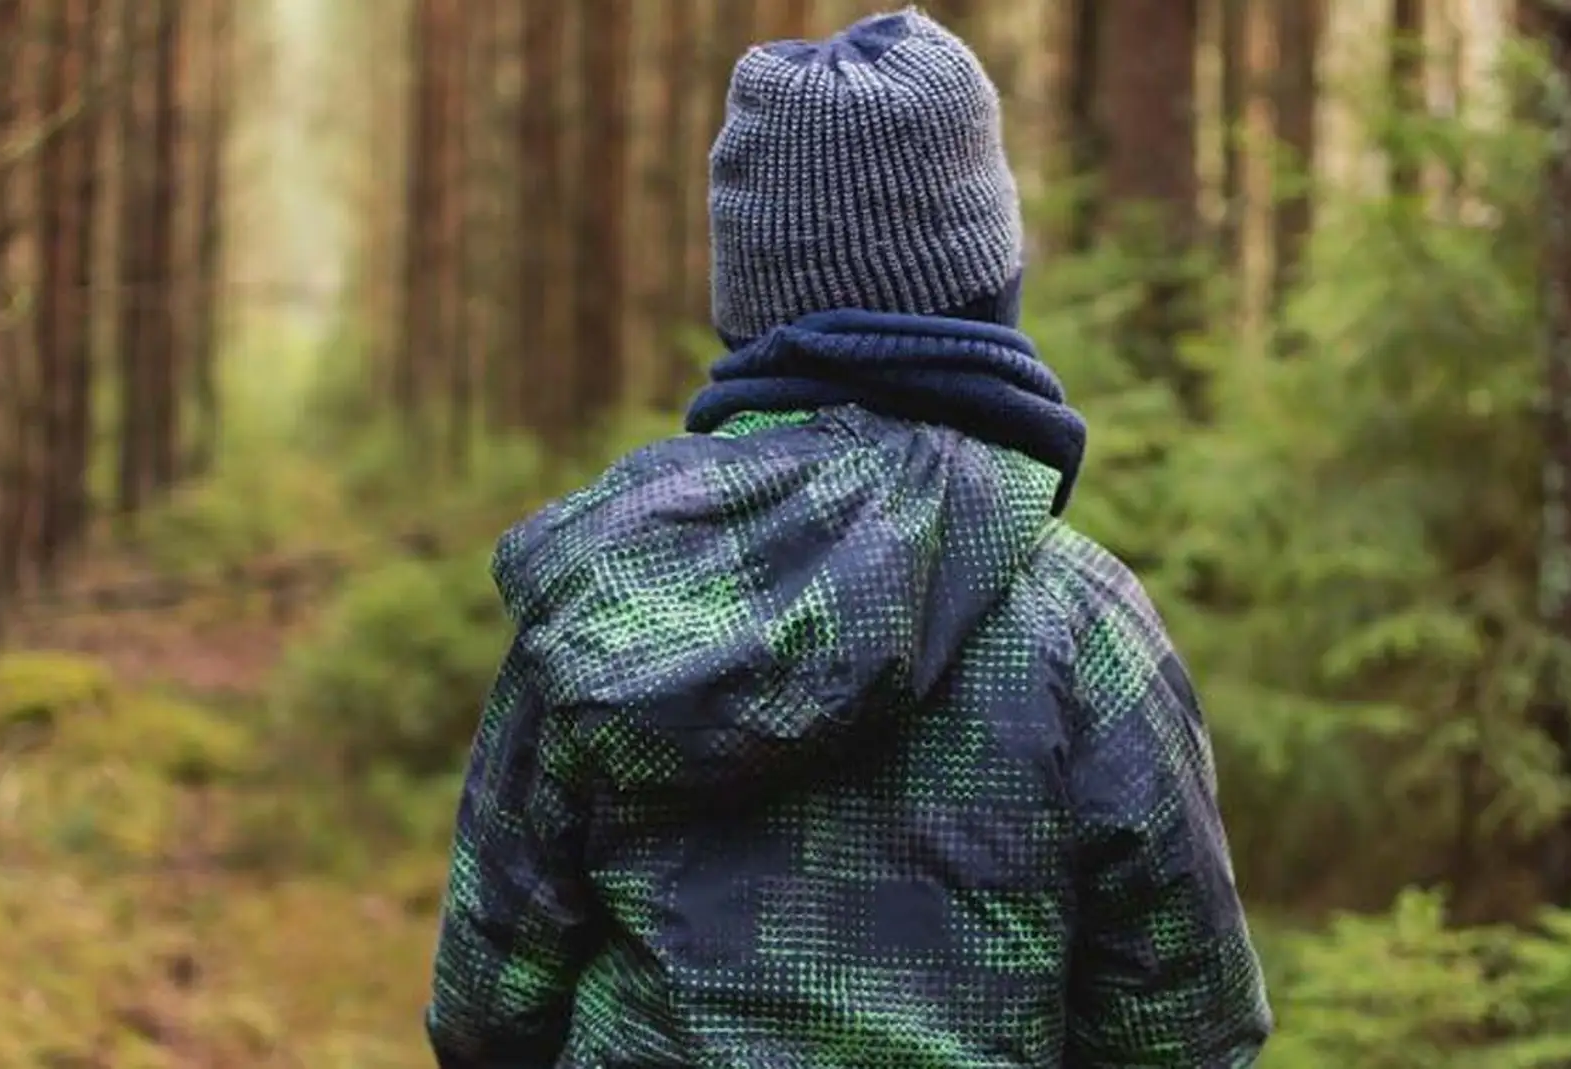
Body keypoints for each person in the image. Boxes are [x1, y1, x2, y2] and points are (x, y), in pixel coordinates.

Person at [425, 9, 1271, 1067]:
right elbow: (1188, 1035)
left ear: (746, 303)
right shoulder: (1079, 624)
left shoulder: (610, 596)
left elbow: (483, 1011)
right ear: (985, 289)